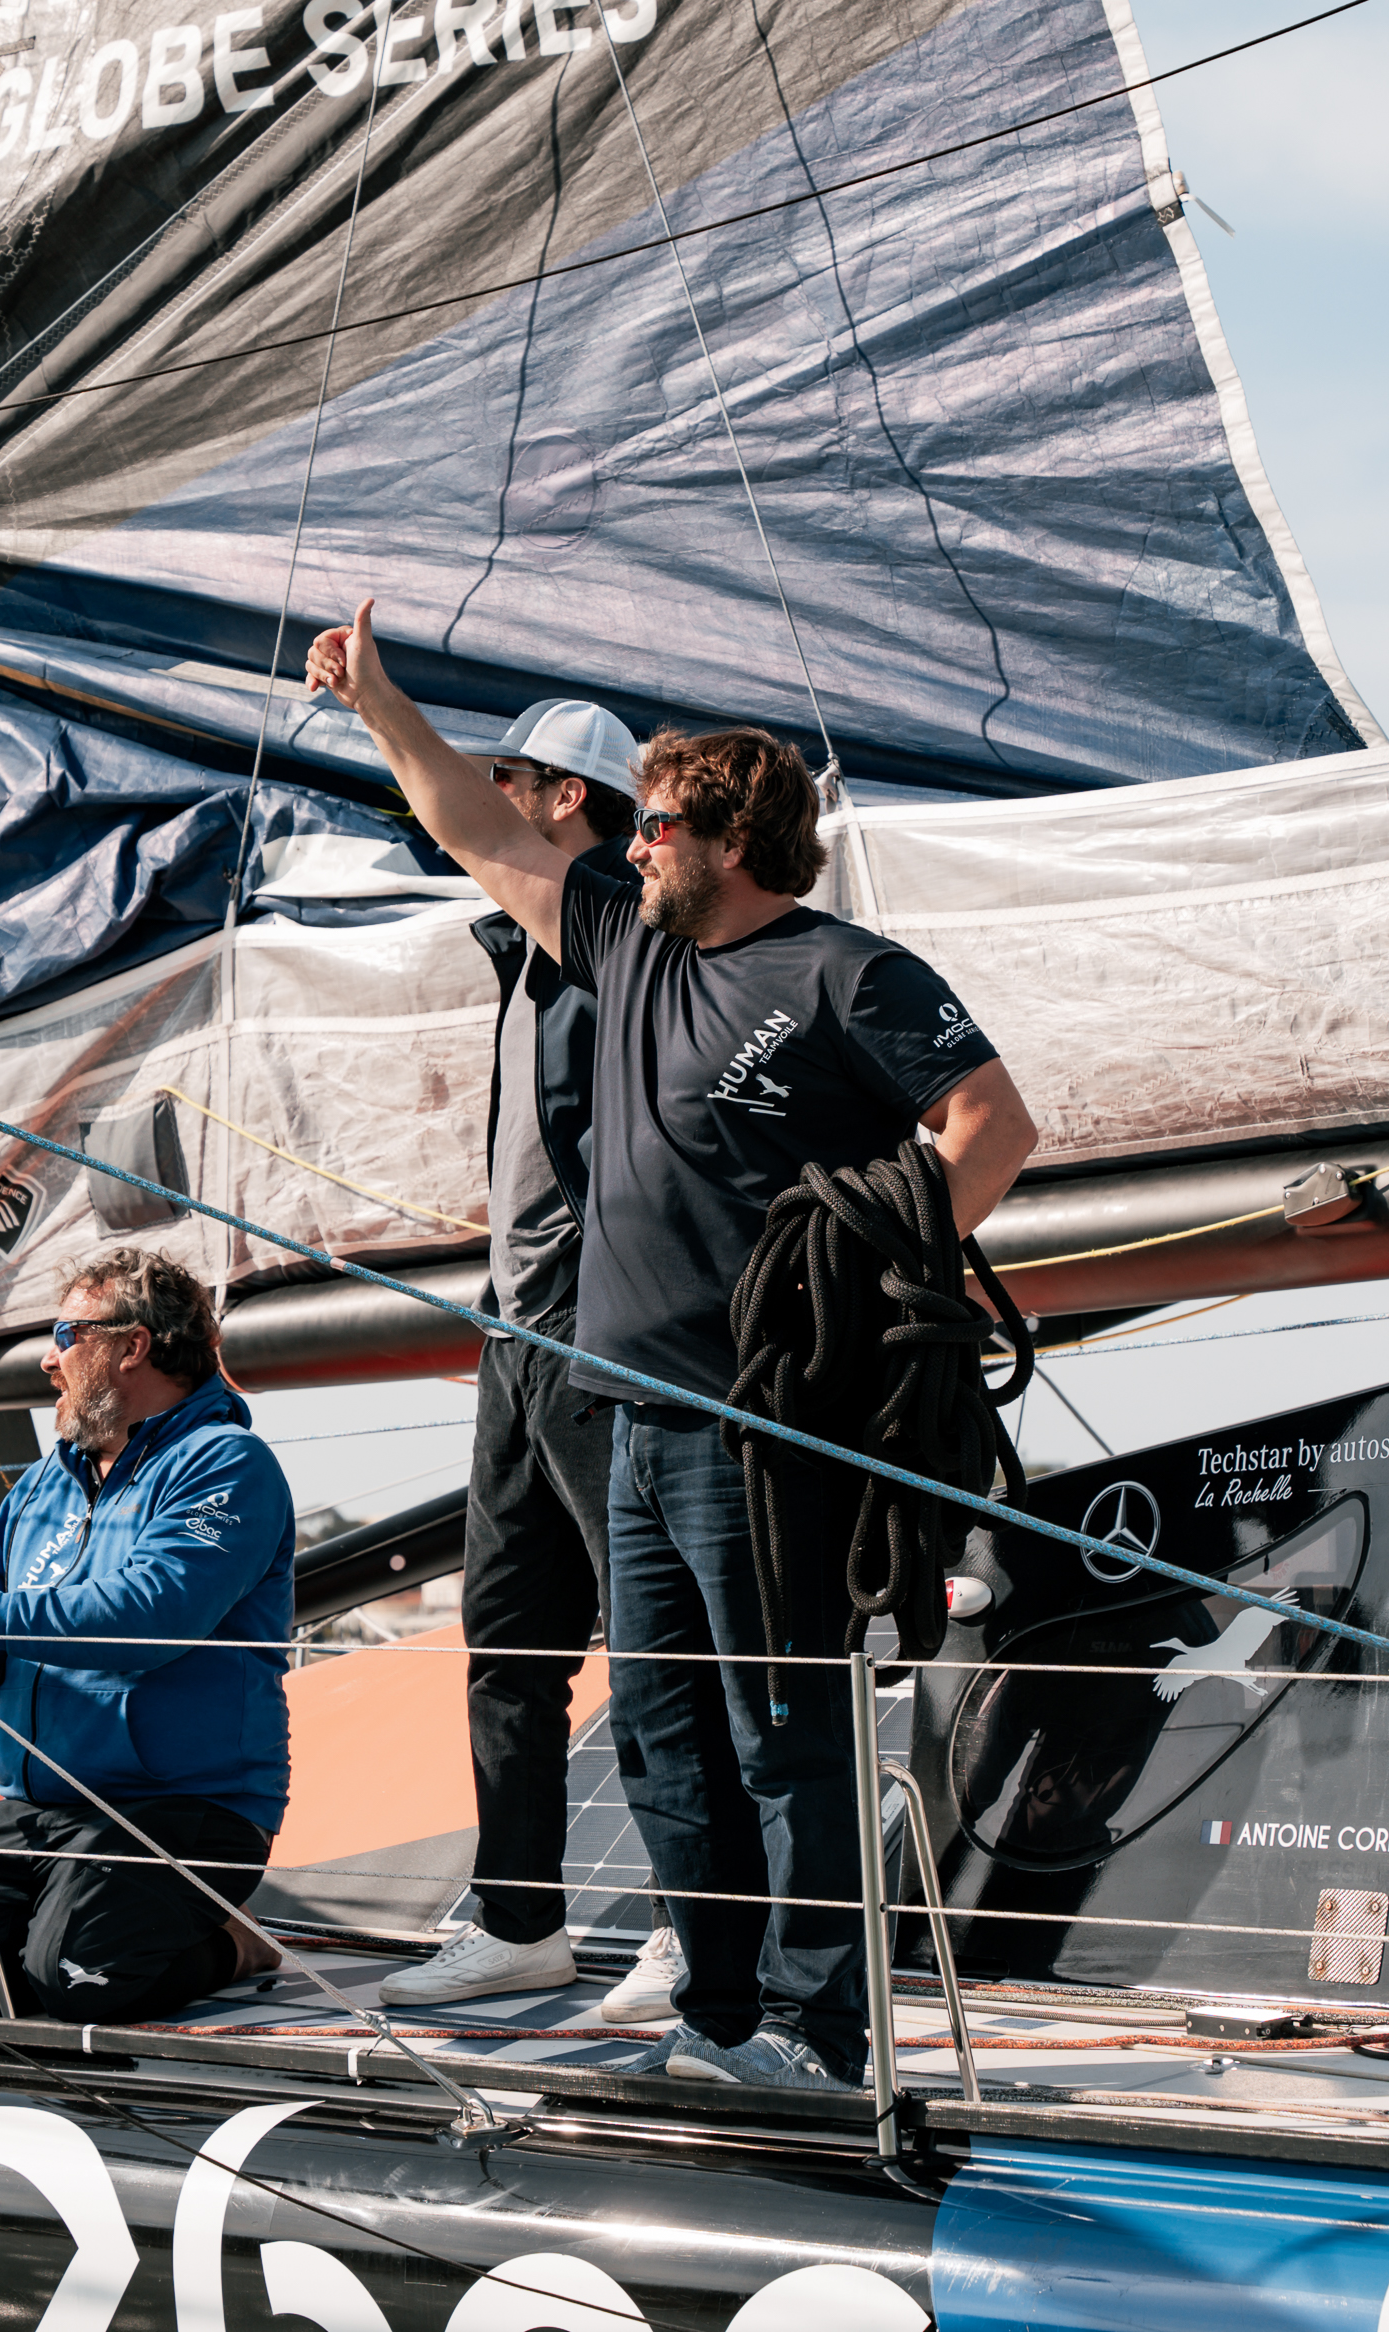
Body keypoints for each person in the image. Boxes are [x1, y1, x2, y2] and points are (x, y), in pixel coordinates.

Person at [303, 601, 1039, 2090]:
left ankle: (821, 2037)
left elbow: (992, 1127)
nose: (626, 848)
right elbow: (473, 831)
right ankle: (714, 2025)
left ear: (731, 839)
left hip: (767, 1427)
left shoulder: (846, 975)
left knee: (782, 1740)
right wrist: (379, 705)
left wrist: (868, 1262)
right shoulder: (617, 950)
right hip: (630, 1413)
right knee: (661, 1736)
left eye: (653, 828)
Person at [378, 699, 683, 2022]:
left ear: (569, 800)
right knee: (507, 1639)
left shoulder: (609, 928)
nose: (489, 790)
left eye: (512, 775)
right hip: (513, 1338)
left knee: (660, 1638)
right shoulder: (524, 950)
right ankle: (517, 1923)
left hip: (595, 1339)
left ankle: (693, 1928)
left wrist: (378, 701)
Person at [0, 1246, 296, 2029]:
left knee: (74, 1981)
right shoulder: (44, 1484)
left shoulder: (226, 1465)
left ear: (131, 1345)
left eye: (67, 1334)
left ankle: (233, 1942)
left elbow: (153, 1616)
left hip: (181, 1807)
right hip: (35, 1803)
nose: (48, 1359)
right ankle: (83, 1931)